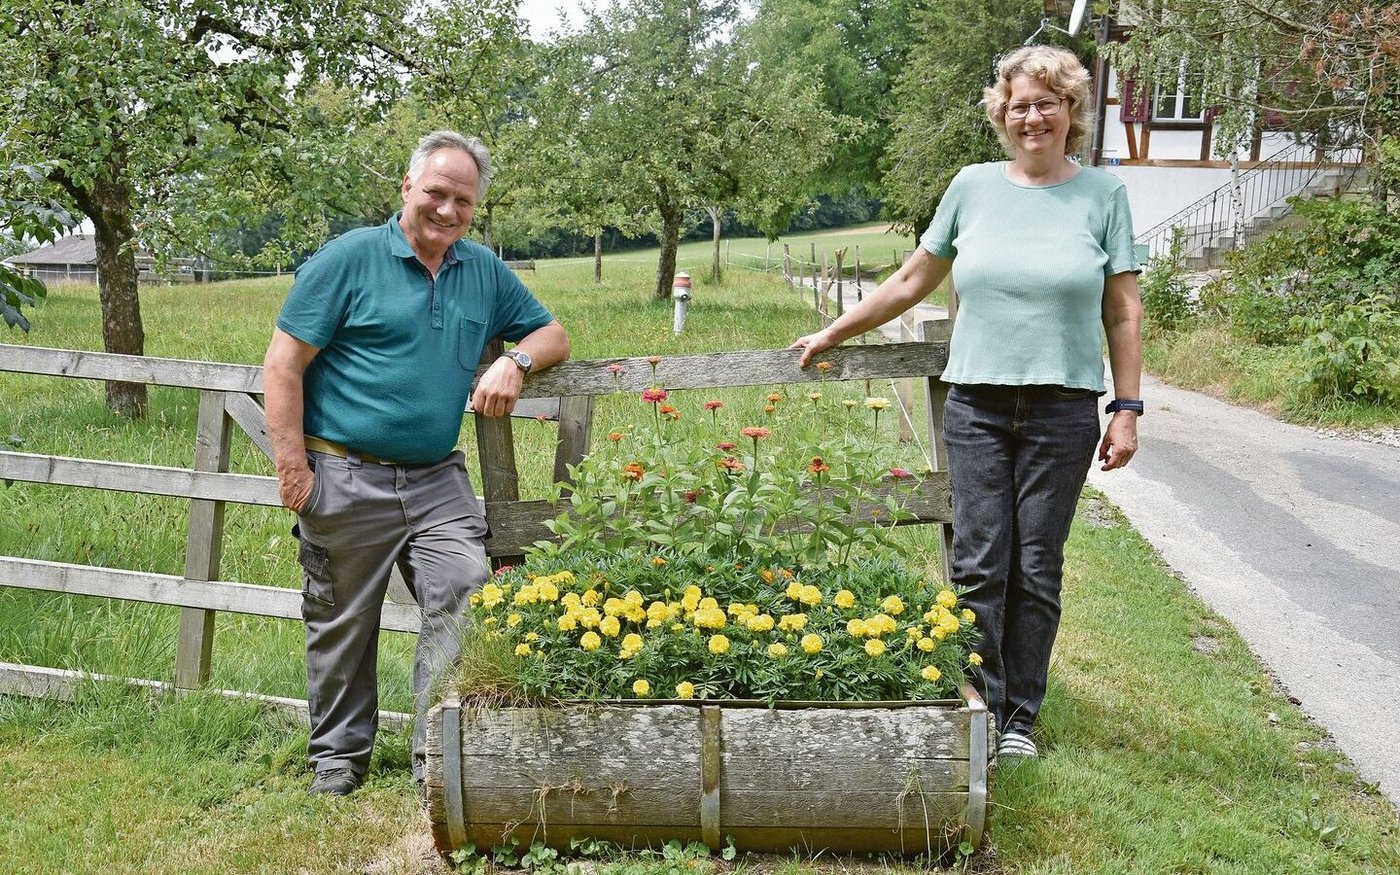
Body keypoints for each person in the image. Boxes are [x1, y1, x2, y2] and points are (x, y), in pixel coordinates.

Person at [792, 45, 1142, 759]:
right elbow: (910, 279)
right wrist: (834, 328)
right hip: (977, 404)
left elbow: (1124, 310)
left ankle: (1019, 717)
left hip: (1063, 407)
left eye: (1048, 101)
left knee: (1037, 565)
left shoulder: (1102, 196)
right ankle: (977, 702)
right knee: (980, 561)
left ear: (1071, 110)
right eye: (1020, 104)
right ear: (1002, 114)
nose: (1033, 116)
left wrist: (1128, 406)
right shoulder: (972, 187)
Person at [263, 130, 570, 796]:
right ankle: (339, 760)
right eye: (437, 192)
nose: (449, 210)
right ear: (406, 187)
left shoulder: (481, 270)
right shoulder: (349, 260)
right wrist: (294, 469)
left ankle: (439, 755)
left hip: (436, 479)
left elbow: (553, 333)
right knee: (342, 621)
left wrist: (514, 360)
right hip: (344, 472)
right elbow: (283, 364)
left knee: (464, 591)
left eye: (464, 200)